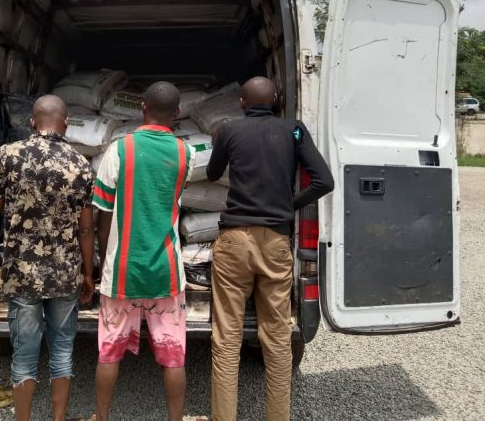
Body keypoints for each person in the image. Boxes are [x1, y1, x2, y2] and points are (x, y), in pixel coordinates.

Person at [0, 94, 95, 421]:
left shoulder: (8, 155)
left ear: (32, 122)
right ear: (66, 124)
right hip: (64, 274)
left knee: (25, 355)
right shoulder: (81, 164)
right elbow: (86, 230)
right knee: (62, 353)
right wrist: (87, 275)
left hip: (23, 274)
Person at [207, 76, 334, 421]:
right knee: (277, 337)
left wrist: (222, 142)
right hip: (276, 242)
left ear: (242, 103)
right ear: (277, 99)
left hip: (234, 242)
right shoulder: (293, 130)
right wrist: (289, 204)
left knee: (227, 337)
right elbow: (325, 180)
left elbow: (214, 170)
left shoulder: (230, 129)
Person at [92, 81, 195, 421]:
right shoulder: (187, 153)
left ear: (142, 108)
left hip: (122, 270)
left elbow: (103, 210)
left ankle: (102, 417)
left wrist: (105, 259)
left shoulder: (120, 149)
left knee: (109, 352)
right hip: (166, 270)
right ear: (177, 114)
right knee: (173, 353)